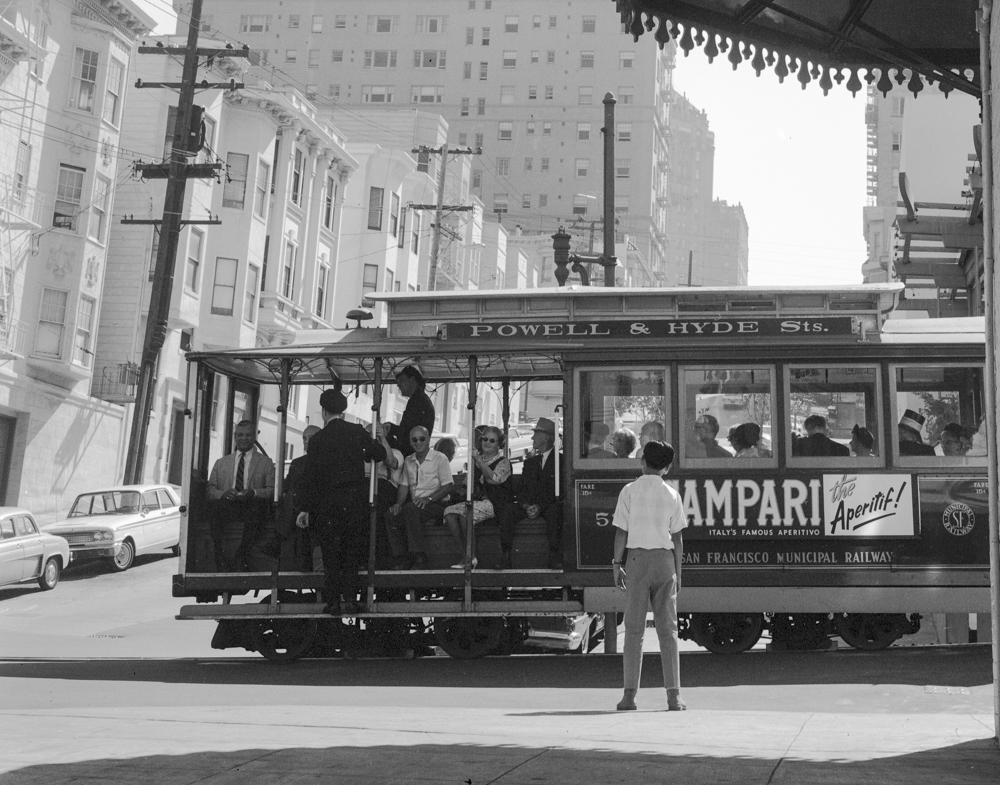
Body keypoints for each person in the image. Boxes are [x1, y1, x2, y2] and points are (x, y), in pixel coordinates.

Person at [296, 386, 386, 615]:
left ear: (324, 411)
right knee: (351, 551)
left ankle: (334, 601)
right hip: (353, 501)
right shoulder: (356, 432)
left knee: (331, 552)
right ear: (343, 411)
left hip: (327, 504)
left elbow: (311, 477)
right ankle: (351, 599)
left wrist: (305, 508)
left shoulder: (318, 440)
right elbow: (378, 454)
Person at [612, 440, 687, 713]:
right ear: (667, 467)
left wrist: (615, 563)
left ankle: (629, 696)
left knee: (633, 631)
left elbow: (621, 531)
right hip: (665, 561)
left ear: (642, 461)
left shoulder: (629, 491)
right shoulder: (672, 494)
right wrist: (677, 570)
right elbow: (677, 537)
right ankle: (673, 697)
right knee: (669, 630)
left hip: (636, 560)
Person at [441, 425, 514, 569]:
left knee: (465, 514)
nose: (487, 442)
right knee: (449, 513)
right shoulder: (475, 462)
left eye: (492, 441)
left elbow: (494, 479)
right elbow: (469, 485)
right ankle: (465, 555)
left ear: (499, 444)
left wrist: (479, 461)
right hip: (478, 501)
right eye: (485, 439)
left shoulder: (503, 462)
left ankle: (470, 557)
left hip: (495, 503)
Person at [207, 419, 275, 571]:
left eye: (248, 435)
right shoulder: (221, 463)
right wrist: (223, 494)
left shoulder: (265, 463)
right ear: (235, 436)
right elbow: (210, 490)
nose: (243, 438)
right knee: (215, 510)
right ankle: (219, 556)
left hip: (252, 506)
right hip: (228, 505)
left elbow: (272, 490)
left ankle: (241, 556)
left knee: (257, 509)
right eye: (240, 435)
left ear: (254, 437)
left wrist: (254, 492)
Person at [386, 425, 454, 569]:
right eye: (414, 440)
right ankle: (401, 557)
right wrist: (398, 504)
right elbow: (404, 485)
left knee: (411, 509)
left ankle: (419, 556)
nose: (418, 442)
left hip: (437, 504)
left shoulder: (440, 458)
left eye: (422, 439)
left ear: (428, 439)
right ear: (410, 442)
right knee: (391, 515)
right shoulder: (408, 460)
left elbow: (448, 485)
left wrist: (428, 499)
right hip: (417, 505)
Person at [499, 417, 563, 569]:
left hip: (548, 506)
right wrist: (526, 505)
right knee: (508, 510)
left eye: (536, 434)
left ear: (546, 437)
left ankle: (554, 555)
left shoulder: (560, 461)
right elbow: (522, 489)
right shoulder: (530, 462)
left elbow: (557, 491)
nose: (533, 437)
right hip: (529, 506)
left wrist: (540, 506)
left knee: (556, 512)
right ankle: (505, 554)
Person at [388, 365, 435, 457]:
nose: (399, 385)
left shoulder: (418, 401)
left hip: (411, 453)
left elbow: (407, 431)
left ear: (412, 380)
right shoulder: (420, 399)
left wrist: (391, 429)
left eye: (402, 381)